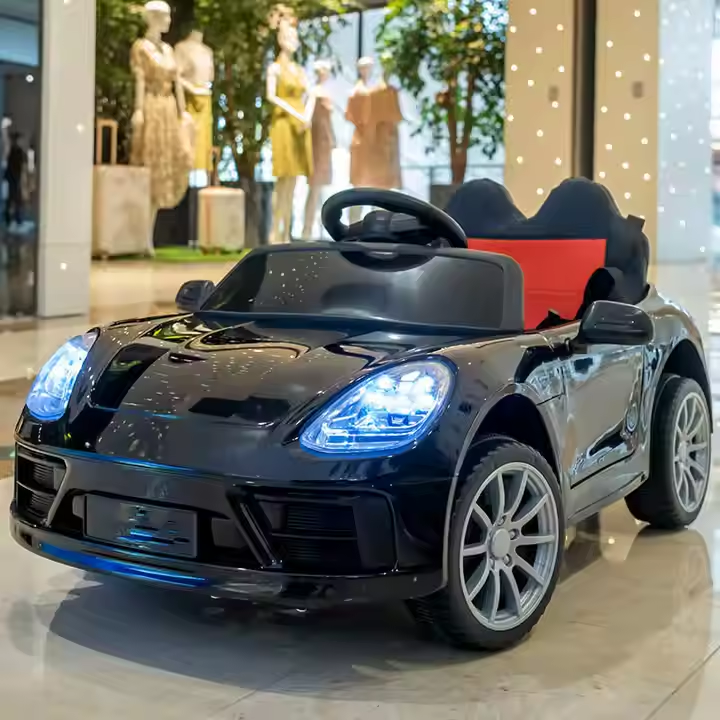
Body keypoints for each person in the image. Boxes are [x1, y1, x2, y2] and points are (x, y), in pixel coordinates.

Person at [4, 132, 26, 228]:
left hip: (15, 177)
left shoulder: (16, 152)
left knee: (14, 199)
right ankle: (14, 218)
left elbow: (19, 165)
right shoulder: (15, 151)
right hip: (14, 178)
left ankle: (15, 218)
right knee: (14, 199)